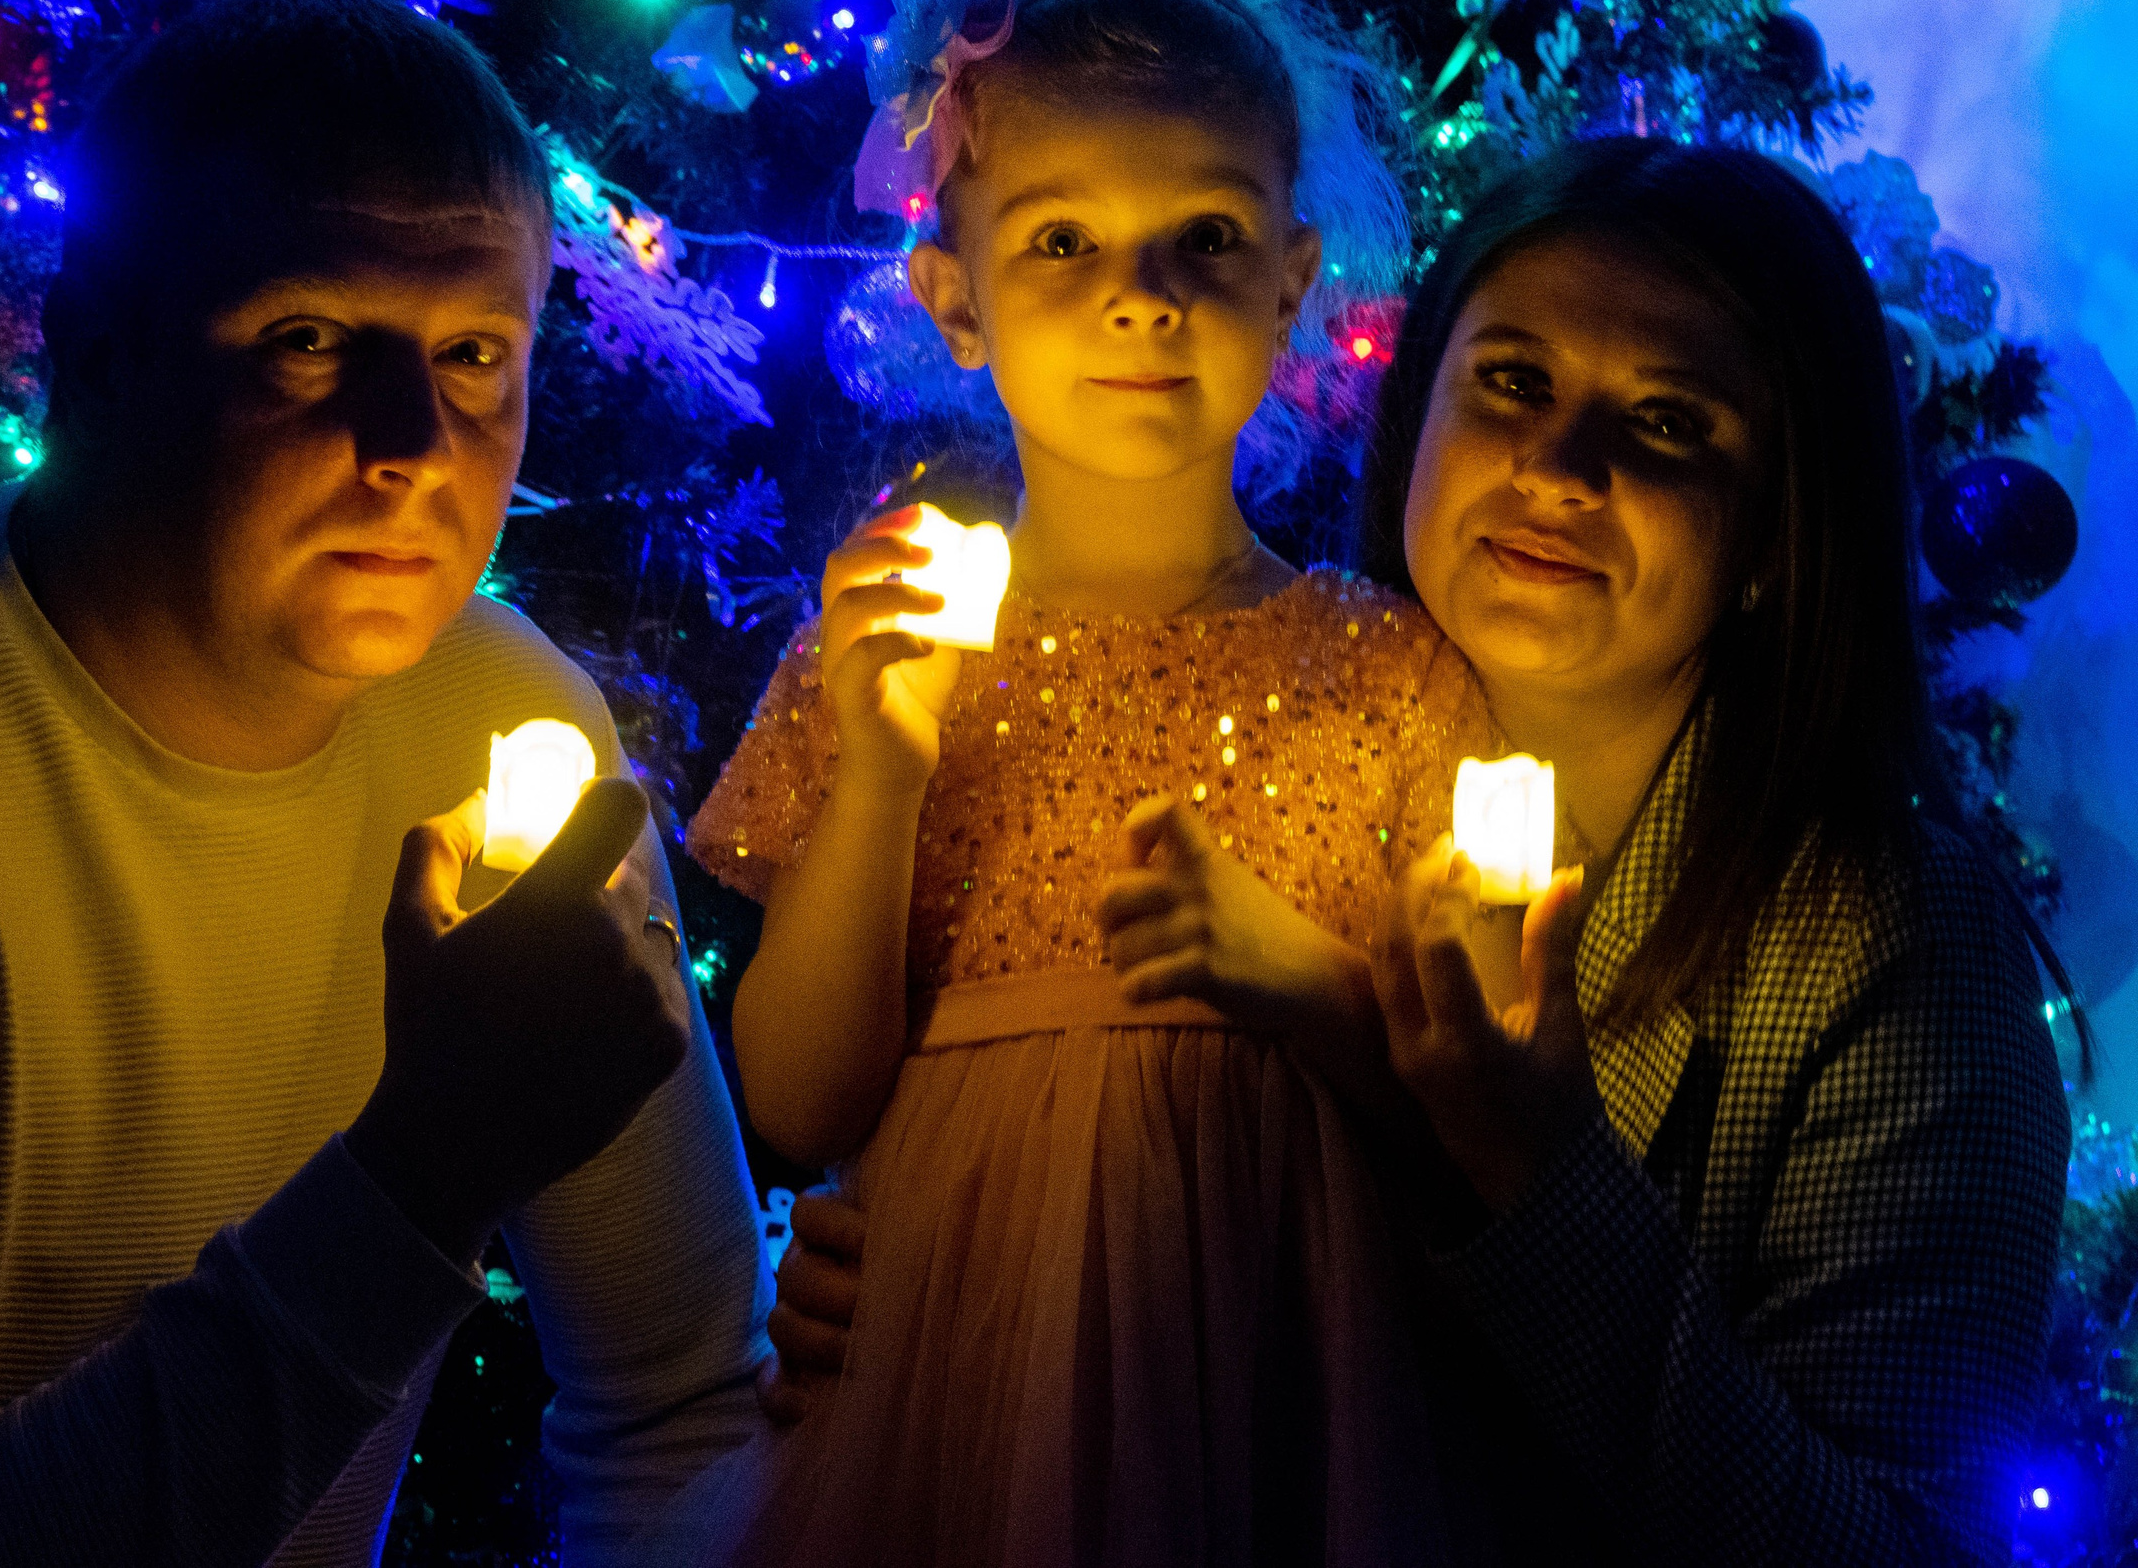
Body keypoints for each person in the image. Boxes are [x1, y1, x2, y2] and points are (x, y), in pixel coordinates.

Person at [0, 0, 771, 1564]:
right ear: (93, 358)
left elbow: (683, 1396)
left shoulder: (502, 728)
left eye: (475, 350)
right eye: (305, 339)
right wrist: (419, 1178)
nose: (411, 439)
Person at [763, 135, 2073, 1566]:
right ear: (1420, 423)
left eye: (1671, 425)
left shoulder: (1889, 938)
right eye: (1512, 384)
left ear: (1776, 531)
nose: (1561, 470)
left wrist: (1541, 1175)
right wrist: (945, 1267)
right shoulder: (1265, 778)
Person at [677, 0, 1493, 1564]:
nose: (1140, 298)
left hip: (1294, 1384)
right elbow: (800, 1101)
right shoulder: (881, 640)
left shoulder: (1398, 678)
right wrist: (884, 768)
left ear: (1292, 281)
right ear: (951, 297)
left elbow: (1473, 1123)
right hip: (953, 1377)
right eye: (1061, 241)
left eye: (1203, 236)